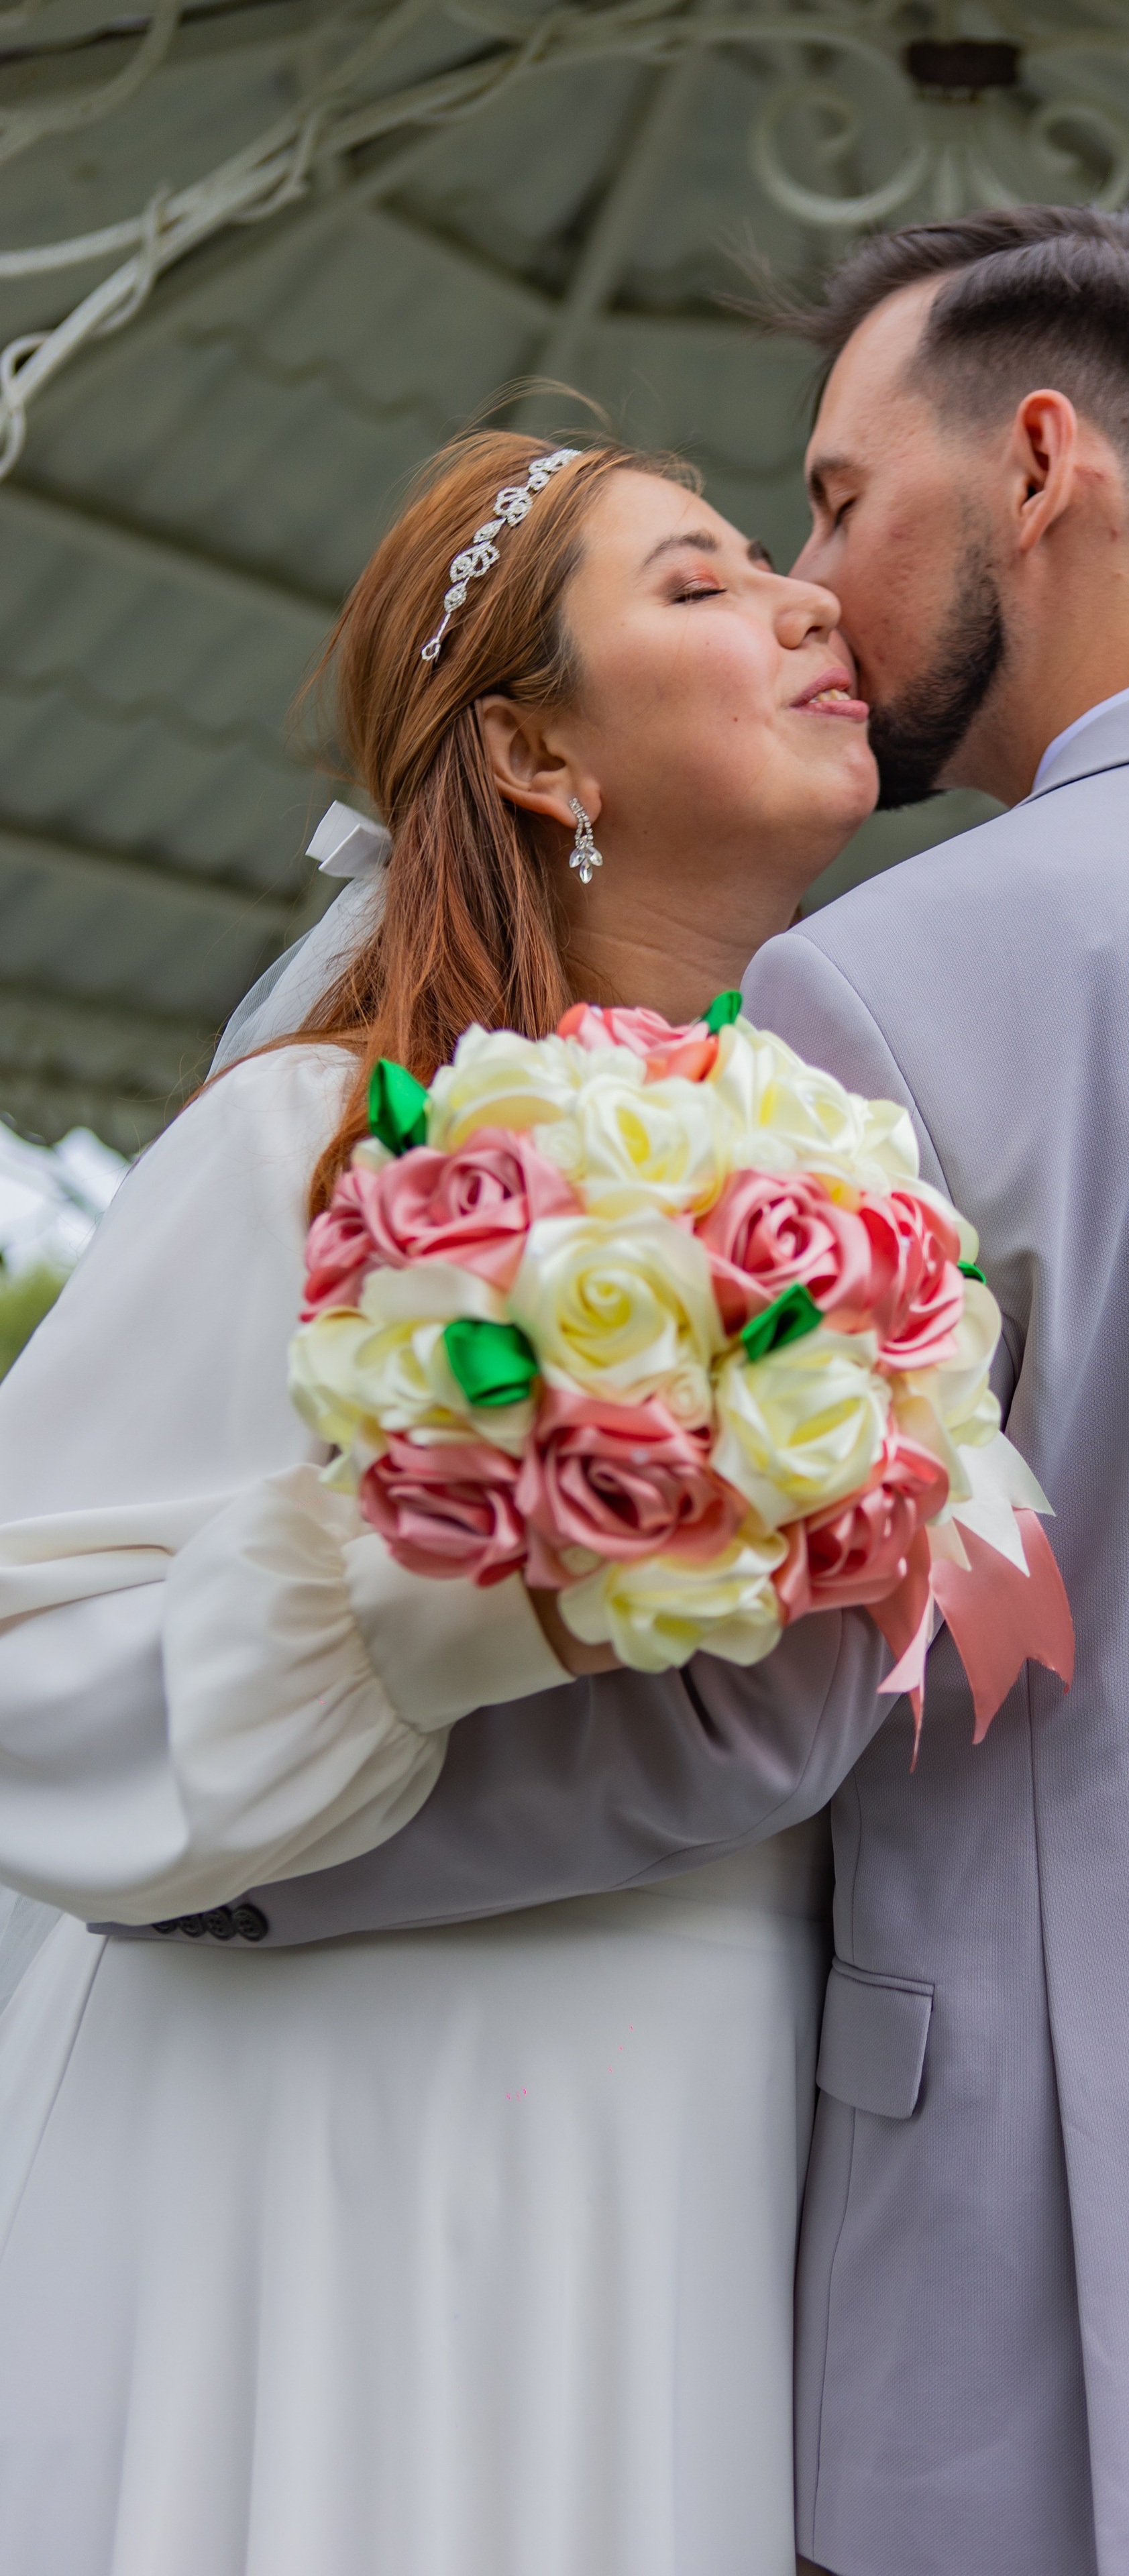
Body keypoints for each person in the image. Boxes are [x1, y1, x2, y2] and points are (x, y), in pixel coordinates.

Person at [179, 207, 1129, 2576]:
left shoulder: (886, 997)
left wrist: (245, 1868)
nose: (815, 582)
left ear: (1034, 467)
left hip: (1074, 2315)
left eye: (834, 499)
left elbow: (761, 1712)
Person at [0, 429, 899, 2575]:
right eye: (698, 586)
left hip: (705, 2122)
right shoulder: (310, 1140)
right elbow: (29, 1673)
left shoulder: (870, 1183)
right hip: (333, 2124)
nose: (808, 603)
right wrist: (448, 1581)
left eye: (779, 565)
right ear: (533, 754)